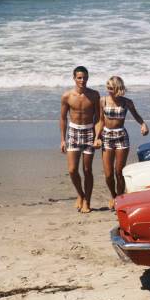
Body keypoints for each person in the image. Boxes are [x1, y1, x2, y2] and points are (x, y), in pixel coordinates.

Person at [95, 76, 149, 210]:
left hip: (121, 136)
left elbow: (136, 115)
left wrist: (143, 124)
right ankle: (113, 196)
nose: (108, 90)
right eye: (107, 87)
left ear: (117, 88)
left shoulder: (127, 102)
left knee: (118, 172)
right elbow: (101, 120)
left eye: (111, 88)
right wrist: (97, 137)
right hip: (107, 136)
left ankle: (120, 198)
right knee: (108, 174)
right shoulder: (103, 101)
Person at [60, 66, 101, 214]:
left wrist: (97, 137)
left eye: (84, 77)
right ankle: (80, 194)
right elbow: (63, 118)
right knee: (72, 170)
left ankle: (87, 201)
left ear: (88, 78)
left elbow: (99, 118)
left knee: (87, 170)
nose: (82, 80)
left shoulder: (94, 95)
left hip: (89, 132)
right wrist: (63, 139)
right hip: (73, 132)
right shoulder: (67, 96)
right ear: (74, 78)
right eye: (79, 77)